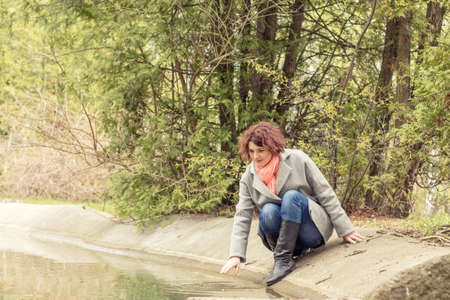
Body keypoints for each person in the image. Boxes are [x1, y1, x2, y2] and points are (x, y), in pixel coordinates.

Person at [219, 122, 363, 286]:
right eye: (251, 151)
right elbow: (242, 216)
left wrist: (345, 229)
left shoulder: (297, 158)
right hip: (282, 240)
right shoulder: (248, 178)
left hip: (311, 230)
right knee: (267, 211)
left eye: (260, 150)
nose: (255, 156)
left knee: (291, 197)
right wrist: (235, 255)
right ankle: (285, 256)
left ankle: (283, 259)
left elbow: (325, 192)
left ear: (272, 148)